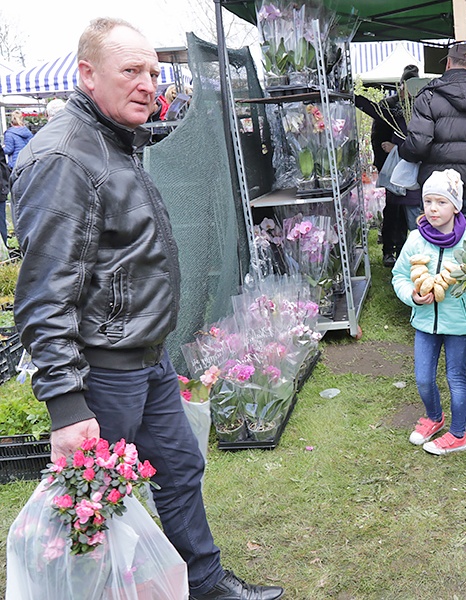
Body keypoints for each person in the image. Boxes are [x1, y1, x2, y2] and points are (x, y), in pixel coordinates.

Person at [10, 18, 283, 600]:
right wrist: (66, 401)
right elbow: (43, 294)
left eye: (154, 72)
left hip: (146, 361)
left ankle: (204, 583)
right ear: (87, 74)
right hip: (103, 371)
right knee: (94, 504)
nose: (147, 84)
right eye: (130, 71)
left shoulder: (113, 141)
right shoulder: (64, 157)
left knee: (180, 469)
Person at [391, 169, 466, 455]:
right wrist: (413, 297)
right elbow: (399, 276)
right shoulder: (416, 239)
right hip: (425, 323)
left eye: (441, 202)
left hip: (458, 325)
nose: (432, 208)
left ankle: (458, 435)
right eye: (428, 201)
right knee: (423, 378)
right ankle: (434, 416)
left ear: (456, 206)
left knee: (456, 377)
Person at [398, 42, 466, 230]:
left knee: (434, 251)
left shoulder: (429, 96)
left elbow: (418, 145)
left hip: (437, 193)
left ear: (448, 63)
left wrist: (402, 151)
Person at [357, 64, 423, 266]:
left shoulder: (421, 107)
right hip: (393, 170)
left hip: (413, 170)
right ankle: (390, 250)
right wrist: (383, 165)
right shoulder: (389, 106)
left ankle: (408, 251)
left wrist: (397, 147)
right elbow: (377, 136)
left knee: (411, 212)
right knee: (393, 211)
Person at [2, 110, 32, 247]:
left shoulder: (9, 133)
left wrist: (2, 148)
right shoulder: (27, 131)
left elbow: (9, 149)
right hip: (29, 164)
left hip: (16, 165)